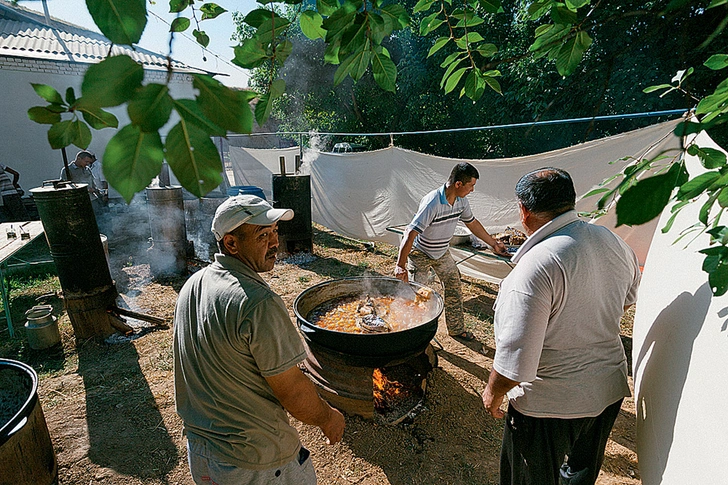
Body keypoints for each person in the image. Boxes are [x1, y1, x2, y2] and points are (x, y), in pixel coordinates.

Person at [482, 168, 641, 485]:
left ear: (524, 211)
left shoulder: (535, 267)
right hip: (607, 391)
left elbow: (515, 362)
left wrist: (491, 393)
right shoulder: (611, 240)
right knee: (579, 477)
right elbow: (628, 297)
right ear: (571, 201)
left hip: (549, 406)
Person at [174, 194, 345, 485]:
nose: (275, 242)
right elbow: (292, 392)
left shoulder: (194, 284)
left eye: (275, 232)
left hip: (204, 452)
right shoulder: (257, 302)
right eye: (263, 235)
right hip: (256, 462)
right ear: (231, 243)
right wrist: (328, 418)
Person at [394, 162, 509, 341]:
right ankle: (416, 335)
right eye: (471, 186)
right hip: (420, 252)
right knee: (419, 294)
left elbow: (472, 223)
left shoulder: (461, 201)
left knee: (454, 286)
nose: (472, 190)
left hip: (441, 252)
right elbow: (410, 233)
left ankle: (456, 329)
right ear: (458, 184)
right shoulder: (432, 202)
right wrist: (400, 265)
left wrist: (493, 244)